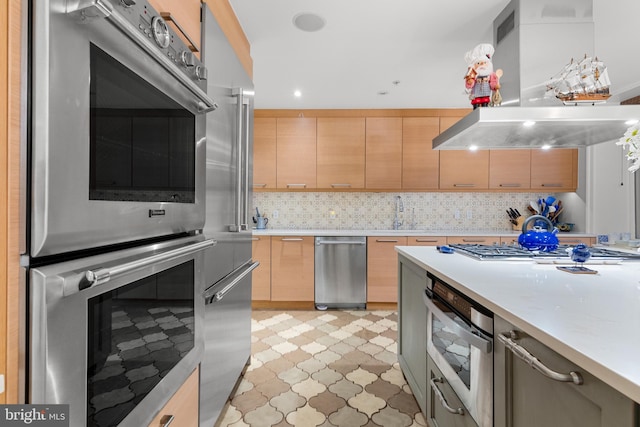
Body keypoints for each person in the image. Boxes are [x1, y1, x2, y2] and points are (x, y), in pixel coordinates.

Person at [464, 43, 502, 109]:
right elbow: (470, 83)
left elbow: (493, 82)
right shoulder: (474, 73)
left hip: (486, 93)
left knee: (485, 103)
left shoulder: (491, 74)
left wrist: (495, 86)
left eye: (484, 63)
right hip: (476, 93)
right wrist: (470, 82)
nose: (482, 65)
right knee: (476, 103)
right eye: (478, 63)